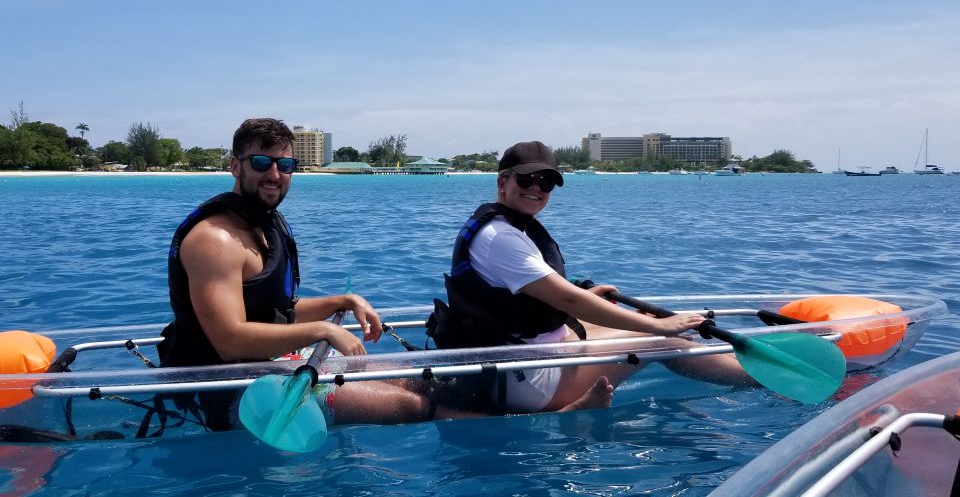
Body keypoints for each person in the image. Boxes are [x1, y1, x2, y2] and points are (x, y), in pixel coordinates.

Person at [158, 118, 470, 431]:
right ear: (236, 167)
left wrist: (343, 301)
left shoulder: (262, 225)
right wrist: (324, 330)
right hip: (226, 391)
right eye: (262, 162)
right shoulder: (215, 240)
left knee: (416, 381)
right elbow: (229, 342)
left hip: (267, 365)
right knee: (413, 405)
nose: (275, 174)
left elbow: (278, 314)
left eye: (286, 164)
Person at [427, 141, 751, 414]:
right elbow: (569, 300)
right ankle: (762, 380)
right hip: (524, 378)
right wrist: (660, 326)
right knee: (665, 339)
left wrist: (594, 300)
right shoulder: (501, 236)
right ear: (502, 183)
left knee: (641, 318)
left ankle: (740, 365)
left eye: (546, 183)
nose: (536, 189)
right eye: (526, 181)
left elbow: (532, 297)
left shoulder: (505, 226)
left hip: (519, 357)